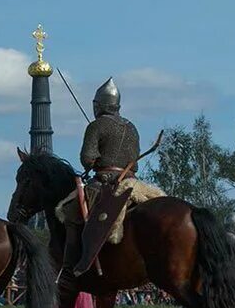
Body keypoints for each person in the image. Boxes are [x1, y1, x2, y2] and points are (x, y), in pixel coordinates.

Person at [65, 79, 163, 280]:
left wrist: (94, 161)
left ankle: (72, 262)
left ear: (98, 105)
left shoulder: (97, 126)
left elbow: (87, 159)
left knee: (69, 211)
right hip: (133, 182)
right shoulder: (132, 127)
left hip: (106, 181)